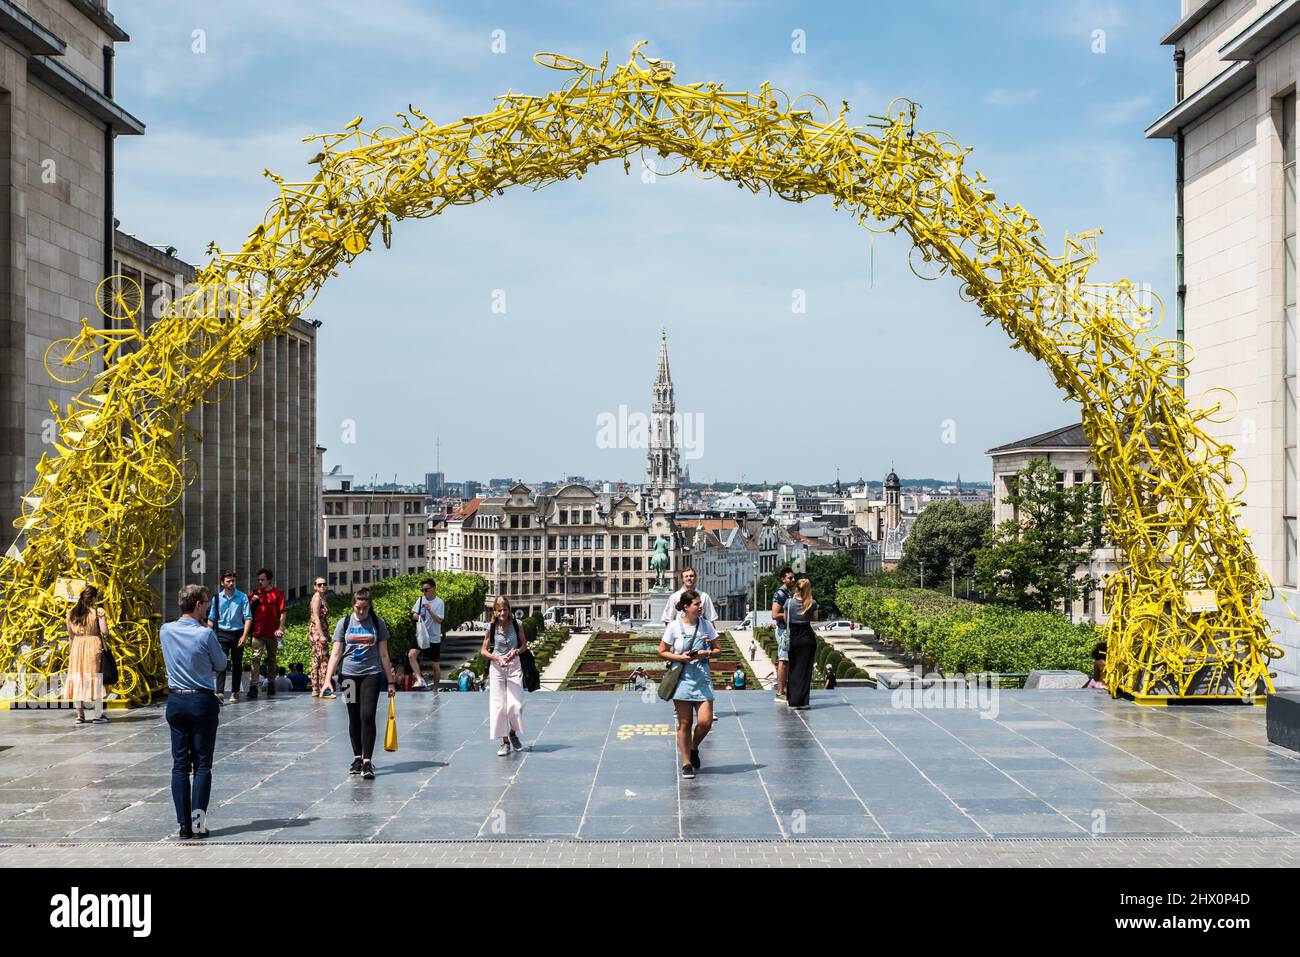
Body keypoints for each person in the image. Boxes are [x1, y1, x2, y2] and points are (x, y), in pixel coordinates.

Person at [160, 584, 227, 840]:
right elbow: (221, 664)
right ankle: (198, 825)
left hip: (176, 701)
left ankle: (183, 826)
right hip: (201, 701)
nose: (209, 606)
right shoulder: (205, 634)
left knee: (179, 766)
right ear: (198, 604)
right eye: (207, 602)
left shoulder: (165, 630)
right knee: (202, 765)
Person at [322, 588, 398, 780]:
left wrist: (390, 681)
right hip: (348, 676)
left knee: (367, 715)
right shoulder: (344, 623)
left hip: (371, 675)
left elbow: (383, 654)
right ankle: (357, 758)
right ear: (353, 606)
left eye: (365, 608)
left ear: (369, 606)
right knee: (354, 716)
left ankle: (367, 761)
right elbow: (336, 653)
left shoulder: (377, 623)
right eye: (358, 608)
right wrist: (327, 679)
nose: (362, 612)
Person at [658, 590, 720, 779]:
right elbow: (662, 651)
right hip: (683, 677)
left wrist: (707, 653)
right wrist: (679, 657)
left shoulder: (706, 625)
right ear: (686, 607)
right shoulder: (674, 627)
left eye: (700, 604)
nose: (700, 607)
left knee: (705, 722)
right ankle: (686, 762)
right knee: (685, 723)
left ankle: (694, 747)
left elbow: (718, 650)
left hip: (702, 677)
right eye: (696, 604)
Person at [481, 596, 527, 756]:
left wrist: (516, 652)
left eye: (505, 609)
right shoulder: (491, 627)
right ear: (495, 611)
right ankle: (505, 742)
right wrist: (497, 658)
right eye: (499, 610)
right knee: (499, 707)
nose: (502, 613)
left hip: (514, 666)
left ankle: (513, 732)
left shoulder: (517, 624)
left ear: (509, 610)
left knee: (516, 706)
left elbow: (524, 645)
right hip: (497, 668)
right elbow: (483, 651)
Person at [65, 585, 110, 724]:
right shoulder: (98, 612)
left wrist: (71, 649)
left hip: (77, 646)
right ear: (94, 598)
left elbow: (70, 634)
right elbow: (105, 631)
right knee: (95, 677)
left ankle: (80, 715)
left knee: (77, 677)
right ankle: (97, 715)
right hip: (93, 645)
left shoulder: (71, 612)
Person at [208, 570, 252, 703]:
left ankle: (235, 691)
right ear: (222, 583)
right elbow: (211, 618)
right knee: (221, 663)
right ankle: (220, 692)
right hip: (222, 633)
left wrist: (245, 635)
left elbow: (248, 617)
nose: (231, 583)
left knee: (237, 664)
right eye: (228, 581)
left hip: (238, 632)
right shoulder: (216, 598)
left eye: (233, 581)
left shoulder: (242, 597)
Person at [246, 568, 286, 699]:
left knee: (272, 660)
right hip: (258, 632)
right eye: (258, 580)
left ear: (269, 580)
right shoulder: (254, 594)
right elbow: (246, 611)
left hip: (272, 633)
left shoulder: (278, 593)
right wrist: (253, 601)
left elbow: (283, 613)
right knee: (255, 658)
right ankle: (253, 686)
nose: (260, 582)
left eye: (262, 579)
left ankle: (271, 683)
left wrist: (281, 628)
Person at [784, 578, 819, 710]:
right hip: (807, 636)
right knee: (805, 670)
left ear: (797, 588)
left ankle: (792, 699)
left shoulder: (789, 602)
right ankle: (803, 701)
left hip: (794, 636)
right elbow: (815, 618)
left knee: (793, 668)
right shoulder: (812, 603)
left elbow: (786, 619)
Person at [409, 578, 445, 690]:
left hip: (433, 637)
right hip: (421, 635)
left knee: (435, 665)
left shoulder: (439, 602)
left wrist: (430, 610)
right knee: (411, 655)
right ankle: (420, 679)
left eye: (426, 590)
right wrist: (418, 616)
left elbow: (439, 620)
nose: (424, 592)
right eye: (422, 590)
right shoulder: (420, 600)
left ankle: (436, 688)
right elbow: (413, 615)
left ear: (433, 589)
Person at [770, 567, 796, 702]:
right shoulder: (780, 593)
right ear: (783, 579)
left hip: (787, 630)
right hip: (783, 631)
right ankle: (780, 691)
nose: (793, 580)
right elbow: (774, 615)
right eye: (790, 578)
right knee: (783, 661)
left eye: (793, 577)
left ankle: (784, 689)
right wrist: (789, 614)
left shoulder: (788, 593)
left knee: (787, 661)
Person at [308, 577, 331, 697]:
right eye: (319, 584)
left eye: (324, 584)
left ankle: (316, 689)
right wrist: (322, 635)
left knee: (317, 659)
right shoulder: (317, 598)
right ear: (315, 586)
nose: (322, 586)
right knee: (323, 660)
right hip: (318, 633)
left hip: (320, 631)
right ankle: (324, 689)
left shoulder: (322, 597)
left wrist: (328, 634)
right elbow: (316, 618)